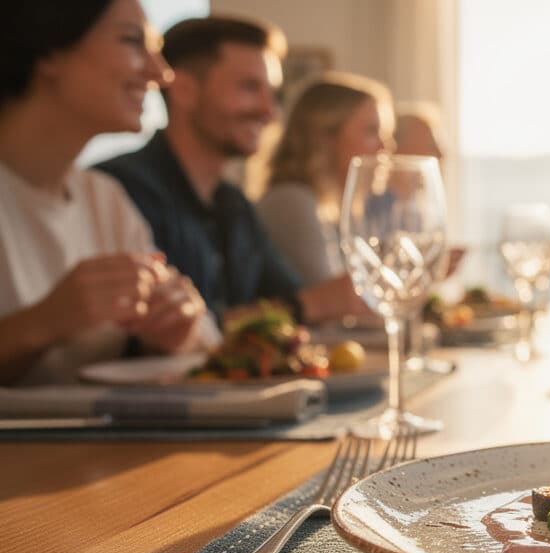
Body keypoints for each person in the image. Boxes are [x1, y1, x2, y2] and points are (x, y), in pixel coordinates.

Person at [0, 0, 218, 385]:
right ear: (49, 50)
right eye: (133, 41)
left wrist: (174, 333)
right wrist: (41, 324)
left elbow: (208, 342)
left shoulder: (104, 199)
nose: (162, 73)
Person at [95, 16, 365, 324]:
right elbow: (160, 336)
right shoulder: (121, 189)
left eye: (272, 93)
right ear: (184, 90)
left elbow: (289, 294)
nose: (270, 111)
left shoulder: (234, 204)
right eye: (250, 87)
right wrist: (307, 306)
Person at [256, 73, 394, 285]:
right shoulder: (293, 201)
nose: (386, 147)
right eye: (372, 131)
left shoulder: (325, 207)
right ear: (325, 137)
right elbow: (336, 309)